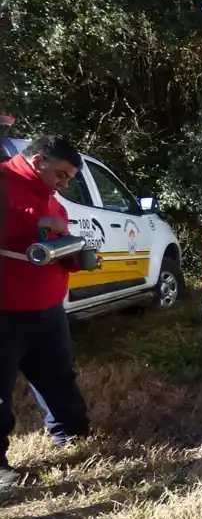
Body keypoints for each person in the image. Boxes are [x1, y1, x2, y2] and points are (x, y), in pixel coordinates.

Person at [0, 136, 99, 492]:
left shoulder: (53, 203)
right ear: (37, 160)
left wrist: (76, 256)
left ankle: (71, 434)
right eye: (61, 174)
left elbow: (54, 244)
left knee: (59, 377)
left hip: (47, 309)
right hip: (5, 311)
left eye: (69, 177)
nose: (64, 183)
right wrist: (33, 222)